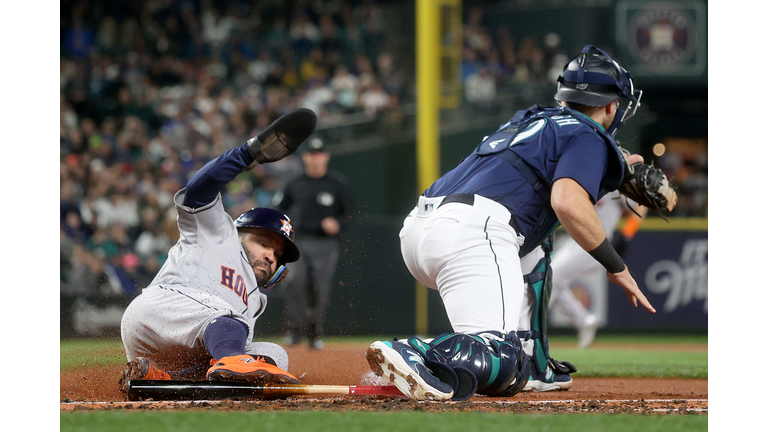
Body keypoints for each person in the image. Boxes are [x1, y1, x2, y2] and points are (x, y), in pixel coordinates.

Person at [366, 45, 657, 401]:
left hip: (422, 229)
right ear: (612, 105)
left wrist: (620, 167)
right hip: (475, 232)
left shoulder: (530, 119)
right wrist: (616, 265)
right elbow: (567, 202)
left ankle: (534, 363)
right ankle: (417, 351)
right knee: (501, 358)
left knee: (509, 367)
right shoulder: (588, 135)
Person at [119, 108, 317, 391]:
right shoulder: (217, 231)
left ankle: (163, 381)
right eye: (263, 243)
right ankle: (232, 362)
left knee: (276, 356)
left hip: (189, 350)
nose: (270, 257)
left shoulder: (256, 300)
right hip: (157, 317)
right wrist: (248, 155)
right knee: (228, 318)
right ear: (240, 233)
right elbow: (198, 190)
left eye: (277, 256)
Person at [275, 137, 355, 349]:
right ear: (305, 157)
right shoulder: (295, 183)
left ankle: (314, 332)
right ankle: (294, 330)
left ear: (326, 156)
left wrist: (338, 223)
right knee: (293, 282)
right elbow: (279, 211)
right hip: (299, 241)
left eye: (319, 154)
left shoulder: (337, 184)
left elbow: (351, 214)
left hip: (325, 244)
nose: (316, 158)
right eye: (312, 154)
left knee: (320, 288)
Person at [548, 191, 647, 350]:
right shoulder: (586, 178)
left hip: (597, 245)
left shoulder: (614, 181)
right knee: (550, 277)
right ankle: (584, 320)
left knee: (551, 276)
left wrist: (627, 232)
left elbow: (641, 205)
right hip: (575, 241)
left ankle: (533, 327)